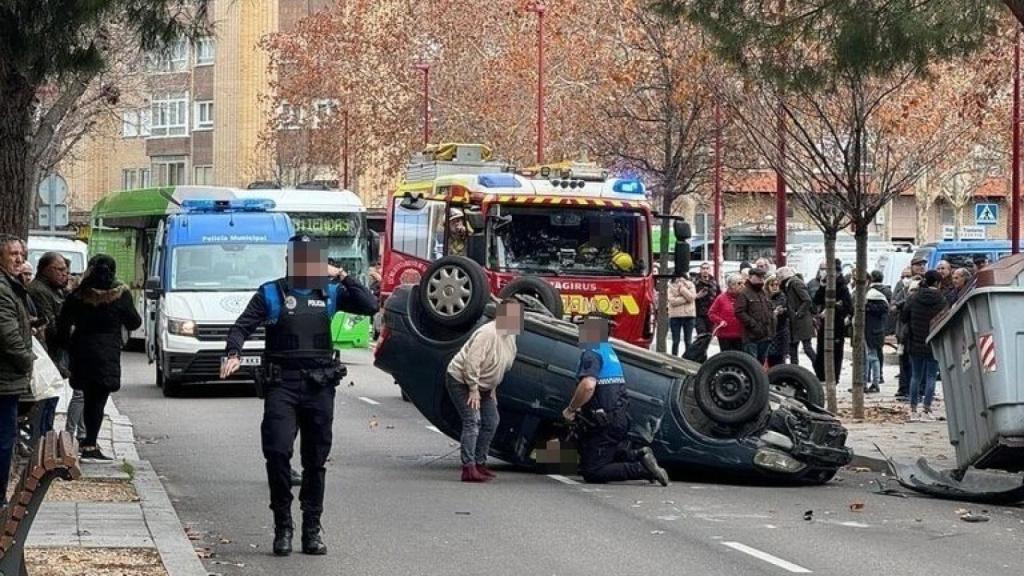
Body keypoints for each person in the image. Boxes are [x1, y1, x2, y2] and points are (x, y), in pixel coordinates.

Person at [221, 234, 377, 557]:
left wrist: (342, 274)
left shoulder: (330, 291)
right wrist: (233, 352)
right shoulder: (272, 293)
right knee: (277, 452)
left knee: (315, 460)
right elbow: (240, 328)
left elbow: (369, 304)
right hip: (283, 386)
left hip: (319, 386)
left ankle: (311, 528)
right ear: (290, 261)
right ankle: (283, 526)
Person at [562, 317, 669, 486]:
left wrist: (571, 408)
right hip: (619, 415)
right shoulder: (607, 350)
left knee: (592, 471)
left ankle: (641, 469)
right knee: (596, 450)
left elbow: (588, 385)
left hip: (606, 419)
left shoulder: (592, 352)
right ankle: (639, 454)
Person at [55, 254, 141, 461]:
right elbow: (134, 323)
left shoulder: (78, 294)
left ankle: (87, 440)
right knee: (98, 399)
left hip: (82, 350)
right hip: (107, 353)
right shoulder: (120, 294)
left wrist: (66, 346)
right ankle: (90, 442)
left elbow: (63, 323)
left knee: (85, 394)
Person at [446, 300, 522, 482]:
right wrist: (473, 389)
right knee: (472, 421)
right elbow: (472, 363)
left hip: (485, 384)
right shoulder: (487, 334)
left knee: (492, 421)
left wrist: (492, 388)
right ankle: (468, 467)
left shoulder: (510, 336)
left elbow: (503, 364)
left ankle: (480, 462)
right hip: (462, 380)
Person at [0, 235, 34, 508]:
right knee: (3, 439)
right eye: (12, 254)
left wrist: (24, 285)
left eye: (21, 254)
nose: (19, 259)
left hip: (9, 377)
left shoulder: (13, 286)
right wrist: (27, 361)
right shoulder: (2, 289)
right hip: (5, 377)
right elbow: (8, 335)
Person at [27, 252, 70, 437]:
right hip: (45, 356)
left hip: (53, 355)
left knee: (50, 401)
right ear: (46, 270)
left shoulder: (55, 290)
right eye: (59, 270)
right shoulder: (40, 291)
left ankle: (46, 439)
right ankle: (41, 441)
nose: (65, 274)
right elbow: (51, 326)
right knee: (45, 402)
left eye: (66, 270)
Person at [901, 271, 948, 421]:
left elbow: (904, 317)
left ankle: (913, 409)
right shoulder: (942, 300)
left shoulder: (914, 297)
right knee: (931, 376)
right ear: (938, 283)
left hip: (915, 342)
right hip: (933, 342)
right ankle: (926, 410)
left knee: (915, 376)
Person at [812, 259, 852, 383]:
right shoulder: (826, 284)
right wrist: (822, 286)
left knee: (835, 352)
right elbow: (817, 300)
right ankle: (821, 375)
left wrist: (832, 307)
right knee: (821, 351)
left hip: (836, 324)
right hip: (824, 325)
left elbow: (847, 306)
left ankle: (833, 376)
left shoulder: (842, 286)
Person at [735, 268, 776, 363]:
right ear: (750, 277)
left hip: (766, 334)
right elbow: (739, 312)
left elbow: (769, 310)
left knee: (761, 363)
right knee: (752, 365)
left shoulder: (764, 293)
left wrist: (772, 324)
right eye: (758, 277)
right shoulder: (744, 293)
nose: (761, 279)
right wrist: (753, 324)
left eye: (762, 277)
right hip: (751, 336)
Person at [777, 266, 816, 366]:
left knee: (806, 348)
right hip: (796, 322)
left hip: (801, 322)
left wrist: (797, 313)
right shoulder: (790, 284)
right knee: (793, 348)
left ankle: (819, 369)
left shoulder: (795, 283)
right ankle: (795, 370)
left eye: (778, 277)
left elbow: (807, 300)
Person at [891, 268, 914, 399]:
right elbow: (892, 307)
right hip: (901, 333)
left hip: (913, 334)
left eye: (908, 276)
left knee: (911, 363)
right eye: (903, 276)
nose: (905, 279)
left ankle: (911, 389)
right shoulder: (900, 291)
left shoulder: (916, 291)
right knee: (903, 361)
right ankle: (903, 387)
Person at [864, 280, 890, 394]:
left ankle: (875, 382)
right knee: (869, 357)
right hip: (869, 331)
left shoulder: (875, 297)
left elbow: (883, 309)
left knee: (872, 357)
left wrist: (867, 306)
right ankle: (867, 382)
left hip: (873, 332)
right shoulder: (870, 296)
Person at [708, 273, 745, 351]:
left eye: (743, 283)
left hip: (740, 334)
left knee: (739, 359)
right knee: (726, 358)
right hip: (724, 335)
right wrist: (720, 321)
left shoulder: (744, 298)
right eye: (739, 283)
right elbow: (711, 313)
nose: (742, 286)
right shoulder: (721, 298)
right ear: (731, 285)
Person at [667, 272, 696, 356]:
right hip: (675, 317)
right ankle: (674, 358)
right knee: (675, 341)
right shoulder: (670, 286)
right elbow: (672, 301)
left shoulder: (691, 285)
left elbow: (691, 298)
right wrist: (686, 299)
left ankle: (688, 358)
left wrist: (682, 289)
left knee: (688, 341)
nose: (680, 280)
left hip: (689, 316)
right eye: (678, 278)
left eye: (682, 278)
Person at [765, 274, 789, 367]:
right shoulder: (764, 297)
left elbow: (780, 311)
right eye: (772, 285)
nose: (775, 287)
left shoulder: (782, 297)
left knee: (779, 359)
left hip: (780, 332)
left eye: (777, 284)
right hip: (768, 333)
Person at [693, 262, 720, 335]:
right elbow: (690, 297)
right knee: (701, 334)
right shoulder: (695, 282)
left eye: (707, 268)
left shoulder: (714, 282)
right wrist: (697, 296)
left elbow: (719, 296)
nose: (705, 270)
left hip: (711, 313)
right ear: (700, 270)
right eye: (703, 268)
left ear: (709, 270)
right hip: (699, 313)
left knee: (709, 335)